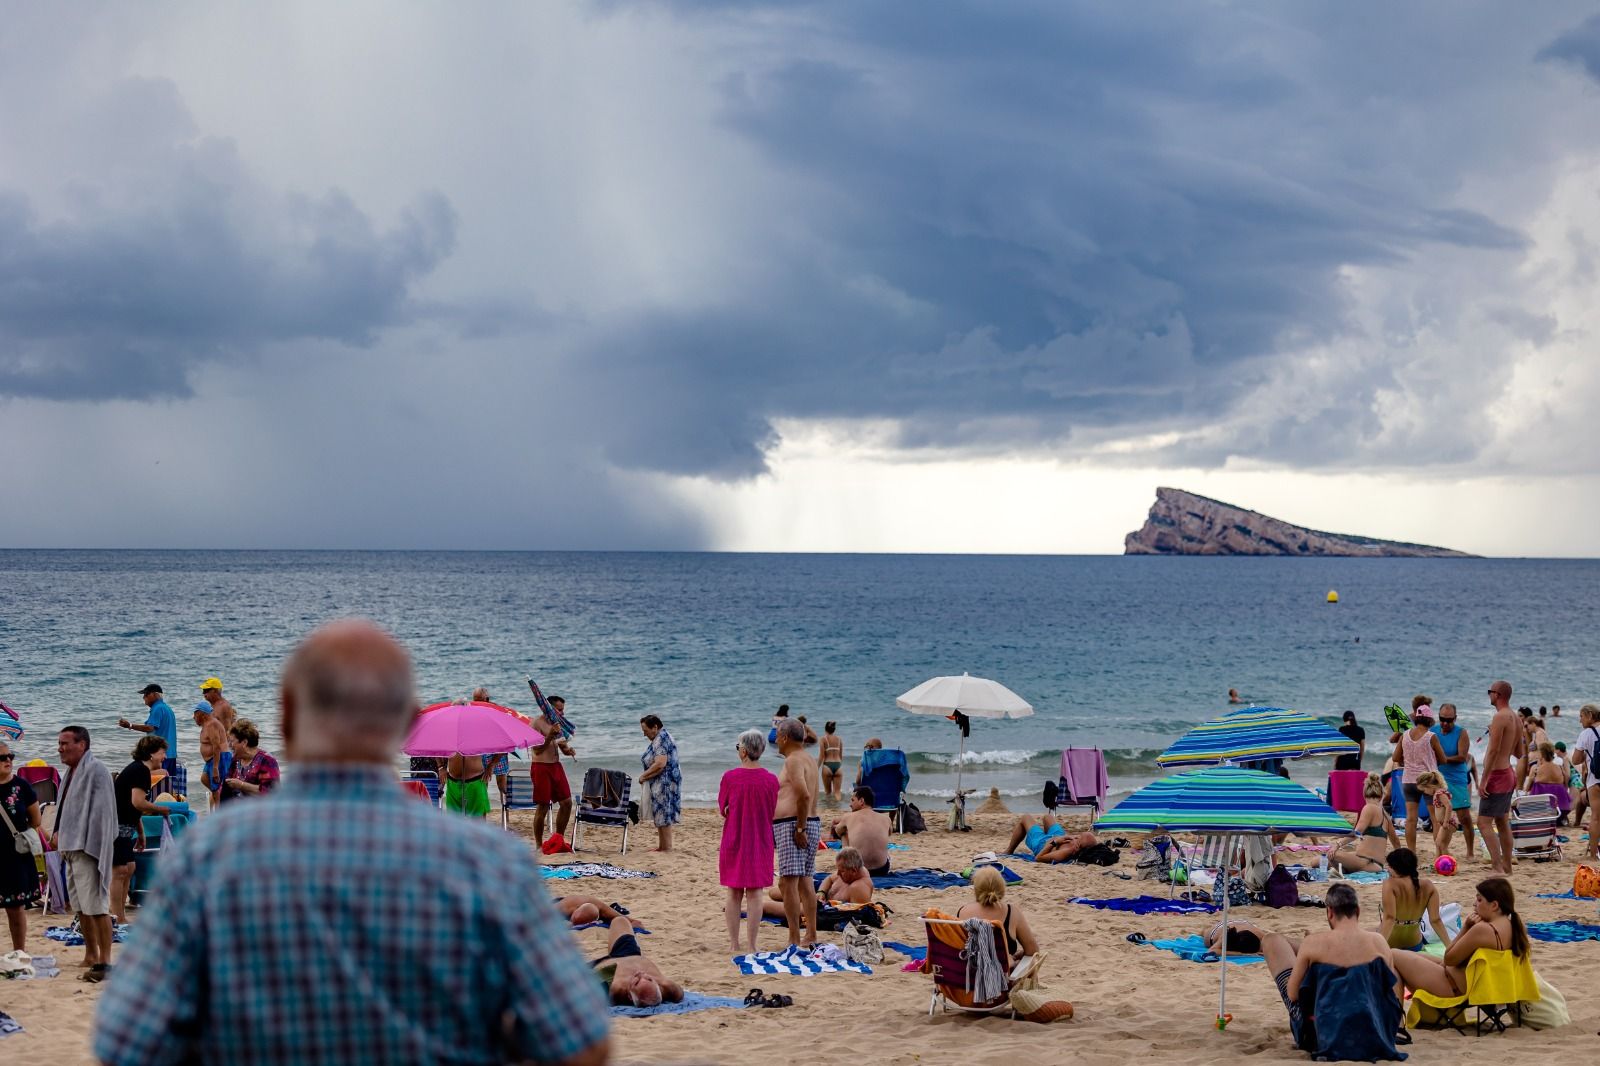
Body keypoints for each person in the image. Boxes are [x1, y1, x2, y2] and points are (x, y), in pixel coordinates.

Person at [92, 619, 611, 1066]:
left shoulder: (208, 858)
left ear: (288, 718)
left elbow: (126, 1043)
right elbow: (582, 1042)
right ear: (406, 723)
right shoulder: (487, 862)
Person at [1258, 883, 1402, 1058]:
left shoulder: (1313, 942)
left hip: (1324, 1037)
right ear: (1357, 911)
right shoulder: (1379, 941)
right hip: (1375, 1034)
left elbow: (1293, 994)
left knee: (1272, 941)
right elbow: (1391, 994)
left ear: (1330, 912)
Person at [1388, 876, 1530, 1003]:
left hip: (1452, 987)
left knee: (1392, 955)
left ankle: (1397, 1021)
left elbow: (1449, 958)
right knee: (1414, 956)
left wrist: (1465, 928)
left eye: (1479, 899)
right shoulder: (1513, 926)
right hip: (1469, 983)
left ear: (1494, 905)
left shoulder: (1483, 930)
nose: (1475, 904)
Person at [53, 725, 118, 981]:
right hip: (70, 846)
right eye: (59, 743)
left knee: (97, 907)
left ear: (82, 744)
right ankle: (91, 954)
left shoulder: (96, 770)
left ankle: (105, 962)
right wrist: (57, 831)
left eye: (65, 743)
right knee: (81, 908)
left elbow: (103, 813)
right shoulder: (70, 773)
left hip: (87, 847)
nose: (60, 748)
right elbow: (67, 810)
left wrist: (95, 846)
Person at [719, 728, 780, 954]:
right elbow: (773, 809)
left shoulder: (730, 777)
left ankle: (734, 943)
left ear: (743, 751)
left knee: (734, 892)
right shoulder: (771, 780)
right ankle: (752, 944)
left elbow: (723, 809)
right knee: (755, 894)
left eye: (738, 748)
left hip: (735, 838)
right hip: (760, 840)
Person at [110, 736, 173, 923]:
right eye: (162, 752)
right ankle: (118, 917)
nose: (164, 756)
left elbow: (132, 806)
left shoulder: (138, 769)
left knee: (129, 868)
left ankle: (119, 912)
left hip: (126, 826)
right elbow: (138, 803)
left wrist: (141, 832)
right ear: (152, 753)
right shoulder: (140, 770)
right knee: (120, 870)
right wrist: (161, 809)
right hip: (116, 826)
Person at [772, 718, 820, 949]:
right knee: (805, 881)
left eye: (777, 735)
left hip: (795, 825)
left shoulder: (793, 761)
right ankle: (811, 933)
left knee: (788, 882)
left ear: (785, 737)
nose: (775, 740)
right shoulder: (809, 758)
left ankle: (794, 937)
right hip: (810, 821)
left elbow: (803, 795)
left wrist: (799, 828)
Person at [0, 739, 43, 951]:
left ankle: (20, 952)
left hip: (14, 853)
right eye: (2, 758)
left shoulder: (22, 786)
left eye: (11, 756)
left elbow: (36, 821)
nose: (8, 760)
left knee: (15, 908)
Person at [591, 914, 683, 1008]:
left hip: (604, 967)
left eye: (636, 982)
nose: (641, 974)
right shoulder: (668, 987)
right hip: (629, 953)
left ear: (629, 996)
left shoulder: (617, 989)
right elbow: (680, 994)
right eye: (649, 979)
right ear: (657, 985)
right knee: (619, 920)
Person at [1479, 680, 1523, 875]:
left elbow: (1493, 751)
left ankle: (1497, 866)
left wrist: (1484, 779)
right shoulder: (1516, 718)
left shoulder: (1499, 717)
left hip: (1497, 775)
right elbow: (1519, 752)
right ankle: (1507, 866)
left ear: (1497, 694)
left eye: (1490, 692)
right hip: (1509, 773)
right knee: (1502, 821)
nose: (1489, 695)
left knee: (1483, 822)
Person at [1392, 703, 1446, 853]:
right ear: (1429, 720)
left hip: (1409, 780)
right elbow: (1443, 759)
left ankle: (1411, 852)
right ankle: (1439, 853)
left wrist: (1407, 759)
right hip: (1428, 781)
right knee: (1435, 819)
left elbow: (1396, 757)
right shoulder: (1431, 737)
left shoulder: (1405, 735)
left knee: (1410, 819)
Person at [957, 865, 1040, 961]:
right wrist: (1014, 957)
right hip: (1001, 974)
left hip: (967, 972)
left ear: (976, 889)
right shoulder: (1012, 912)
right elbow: (1032, 950)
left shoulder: (963, 911)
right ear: (1001, 887)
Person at [763, 846, 874, 918]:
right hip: (822, 896)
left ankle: (755, 908)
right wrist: (821, 892)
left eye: (842, 871)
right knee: (774, 893)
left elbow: (854, 916)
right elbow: (829, 879)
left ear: (854, 870)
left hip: (823, 909)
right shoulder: (850, 872)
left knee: (766, 906)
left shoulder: (859, 887)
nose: (838, 874)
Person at [1378, 848, 1451, 952]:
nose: (1387, 869)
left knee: (1369, 933)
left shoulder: (1390, 884)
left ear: (1395, 867)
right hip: (1415, 945)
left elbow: (1389, 918)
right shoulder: (1428, 886)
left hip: (1391, 944)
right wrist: (1450, 947)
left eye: (1389, 866)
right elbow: (1435, 920)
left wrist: (1379, 951)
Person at [530, 694, 576, 851]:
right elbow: (537, 750)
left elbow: (563, 747)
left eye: (563, 710)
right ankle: (538, 844)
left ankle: (558, 838)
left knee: (567, 802)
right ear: (549, 708)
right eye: (559, 710)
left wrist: (569, 751)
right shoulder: (536, 723)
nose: (562, 713)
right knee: (543, 806)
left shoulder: (558, 723)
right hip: (541, 766)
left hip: (555, 766)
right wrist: (549, 735)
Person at [1429, 703, 1475, 859]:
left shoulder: (1461, 733)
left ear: (1455, 718)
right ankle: (1441, 849)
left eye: (1449, 720)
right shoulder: (1433, 731)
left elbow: (1462, 757)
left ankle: (1470, 851)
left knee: (1464, 817)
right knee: (1440, 818)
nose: (1445, 723)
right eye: (1442, 719)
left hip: (1457, 779)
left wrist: (1442, 759)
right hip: (1439, 780)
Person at [1331, 773, 1399, 874]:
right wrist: (1399, 864)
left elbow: (1357, 833)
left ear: (1363, 794)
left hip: (1365, 862)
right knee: (1318, 861)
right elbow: (1396, 842)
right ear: (1381, 796)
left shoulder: (1369, 808)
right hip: (1376, 864)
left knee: (1333, 855)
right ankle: (1343, 869)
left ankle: (1342, 869)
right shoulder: (1386, 815)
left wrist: (1337, 844)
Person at [638, 715, 681, 852]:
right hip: (661, 781)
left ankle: (667, 847)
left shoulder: (662, 738)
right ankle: (662, 846)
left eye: (645, 730)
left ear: (655, 727)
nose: (644, 734)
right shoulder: (660, 737)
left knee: (664, 813)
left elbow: (660, 763)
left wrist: (644, 776)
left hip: (666, 782)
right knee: (660, 813)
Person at [829, 784, 892, 876]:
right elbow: (889, 833)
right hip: (882, 869)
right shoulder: (886, 819)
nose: (850, 804)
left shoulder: (848, 817)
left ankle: (846, 863)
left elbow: (837, 831)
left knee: (844, 832)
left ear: (861, 801)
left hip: (857, 870)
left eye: (852, 800)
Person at [120, 684, 178, 774]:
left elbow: (150, 728)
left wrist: (130, 725)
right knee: (168, 784)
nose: (144, 697)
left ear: (154, 694)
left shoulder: (157, 709)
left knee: (156, 784)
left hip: (160, 756)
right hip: (171, 754)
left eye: (146, 694)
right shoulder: (167, 708)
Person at [1003, 813, 1102, 863]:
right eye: (1078, 836)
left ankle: (1009, 851)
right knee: (1048, 817)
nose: (1077, 837)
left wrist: (1055, 842)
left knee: (1026, 818)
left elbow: (1039, 858)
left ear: (1078, 846)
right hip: (1058, 836)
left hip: (1042, 844)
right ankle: (1046, 834)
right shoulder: (1079, 844)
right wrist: (1071, 837)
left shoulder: (1066, 851)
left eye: (1079, 839)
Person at [222, 719, 280, 800]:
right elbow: (225, 790)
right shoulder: (235, 760)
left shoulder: (267, 761)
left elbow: (271, 792)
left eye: (232, 741)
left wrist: (241, 785)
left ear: (244, 742)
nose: (229, 745)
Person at [472, 687, 510, 806]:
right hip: (482, 749)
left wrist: (492, 764)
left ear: (487, 699)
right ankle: (482, 810)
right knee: (483, 783)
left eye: (479, 700)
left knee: (502, 785)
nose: (476, 703)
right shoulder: (472, 711)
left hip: (499, 749)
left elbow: (505, 743)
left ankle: (507, 810)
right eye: (474, 700)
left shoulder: (498, 712)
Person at [1573, 704, 1600, 861]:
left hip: (1595, 779)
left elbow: (1576, 759)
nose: (1580, 720)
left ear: (1590, 716)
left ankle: (1593, 855)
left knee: (1596, 817)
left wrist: (1587, 756)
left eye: (1581, 716)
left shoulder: (1586, 734)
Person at [194, 701, 232, 810]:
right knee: (204, 779)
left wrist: (215, 768)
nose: (193, 717)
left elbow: (217, 746)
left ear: (202, 714)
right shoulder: (207, 724)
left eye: (195, 714)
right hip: (212, 760)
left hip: (220, 758)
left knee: (217, 786)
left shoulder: (212, 724)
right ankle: (220, 799)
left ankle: (221, 811)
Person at [1528, 742, 1572, 824]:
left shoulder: (1537, 769)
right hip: (1561, 806)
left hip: (1542, 807)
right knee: (1559, 787)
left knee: (1535, 784)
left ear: (1541, 754)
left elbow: (1528, 788)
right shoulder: (1559, 768)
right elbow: (1566, 781)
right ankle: (1560, 818)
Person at [443, 749, 492, 817]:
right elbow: (436, 747)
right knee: (453, 821)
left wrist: (491, 765)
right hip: (453, 782)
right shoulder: (449, 738)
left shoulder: (479, 738)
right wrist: (441, 767)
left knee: (478, 820)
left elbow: (502, 747)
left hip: (476, 781)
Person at [819, 721, 845, 800]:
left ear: (825, 729)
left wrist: (816, 767)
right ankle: (838, 809)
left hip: (827, 766)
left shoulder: (823, 739)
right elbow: (840, 756)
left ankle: (829, 809)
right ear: (834, 730)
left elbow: (822, 756)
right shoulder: (839, 740)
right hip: (838, 766)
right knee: (837, 792)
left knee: (828, 792)